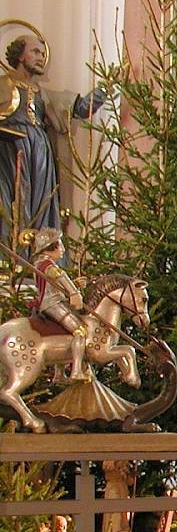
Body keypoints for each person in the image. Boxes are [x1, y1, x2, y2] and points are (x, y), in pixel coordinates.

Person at [1, 34, 59, 239]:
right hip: (11, 149)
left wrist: (104, 89)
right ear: (20, 55)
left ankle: (39, 250)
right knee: (13, 200)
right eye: (35, 52)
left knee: (40, 203)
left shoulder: (42, 93)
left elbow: (70, 111)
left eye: (42, 54)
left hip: (40, 152)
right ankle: (11, 250)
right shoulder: (3, 84)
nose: (41, 57)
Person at [30, 230, 88, 381]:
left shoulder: (41, 264)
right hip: (52, 303)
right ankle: (76, 371)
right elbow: (60, 277)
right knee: (80, 331)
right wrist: (74, 292)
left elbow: (54, 285)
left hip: (52, 301)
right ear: (51, 248)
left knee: (65, 333)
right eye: (60, 246)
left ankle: (59, 374)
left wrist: (75, 284)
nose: (62, 249)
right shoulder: (48, 265)